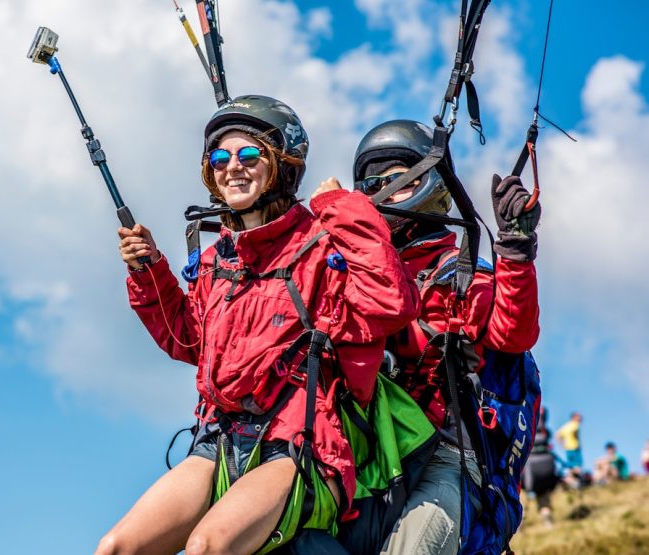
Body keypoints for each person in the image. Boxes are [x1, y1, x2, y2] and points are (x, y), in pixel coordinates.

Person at [96, 96, 419, 555]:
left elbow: (390, 302)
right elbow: (188, 338)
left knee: (209, 546)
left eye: (249, 155)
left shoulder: (320, 246)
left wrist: (341, 208)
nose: (233, 167)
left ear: (282, 166)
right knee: (115, 549)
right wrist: (149, 271)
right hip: (219, 440)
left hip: (299, 446)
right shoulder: (216, 260)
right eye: (219, 158)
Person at [350, 120, 541, 555]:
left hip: (443, 457)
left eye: (396, 181)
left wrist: (513, 248)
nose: (381, 192)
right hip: (364, 460)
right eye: (371, 183)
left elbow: (513, 333)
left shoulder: (457, 274)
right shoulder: (350, 275)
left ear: (429, 183)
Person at [522, 406, 558, 527]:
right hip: (546, 465)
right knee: (543, 495)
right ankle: (546, 517)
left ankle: (520, 522)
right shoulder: (545, 432)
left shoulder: (523, 428)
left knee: (522, 495)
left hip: (529, 466)